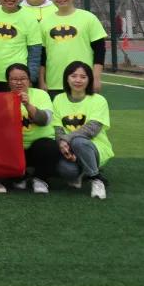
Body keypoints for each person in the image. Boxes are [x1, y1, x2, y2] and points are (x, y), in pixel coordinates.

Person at [53, 61, 112, 200]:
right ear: (67, 78)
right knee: (66, 170)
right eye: (73, 76)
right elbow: (57, 128)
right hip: (69, 149)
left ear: (89, 79)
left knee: (79, 141)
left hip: (94, 148)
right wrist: (61, 143)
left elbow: (91, 129)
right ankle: (83, 170)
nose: (78, 80)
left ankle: (96, 179)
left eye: (83, 77)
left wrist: (66, 139)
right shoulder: (58, 99)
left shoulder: (99, 100)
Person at [39, 0, 106, 94]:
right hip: (54, 84)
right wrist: (41, 81)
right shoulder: (44, 23)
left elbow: (100, 51)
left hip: (83, 83)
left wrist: (96, 78)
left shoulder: (89, 18)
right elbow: (42, 56)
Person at [7, 63, 60, 193]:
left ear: (29, 80)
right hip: (16, 149)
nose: (19, 82)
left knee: (49, 147)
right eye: (14, 79)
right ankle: (21, 176)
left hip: (39, 146)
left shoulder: (41, 94)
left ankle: (40, 179)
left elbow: (44, 120)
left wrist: (27, 105)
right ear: (8, 82)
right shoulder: (2, 98)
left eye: (23, 78)